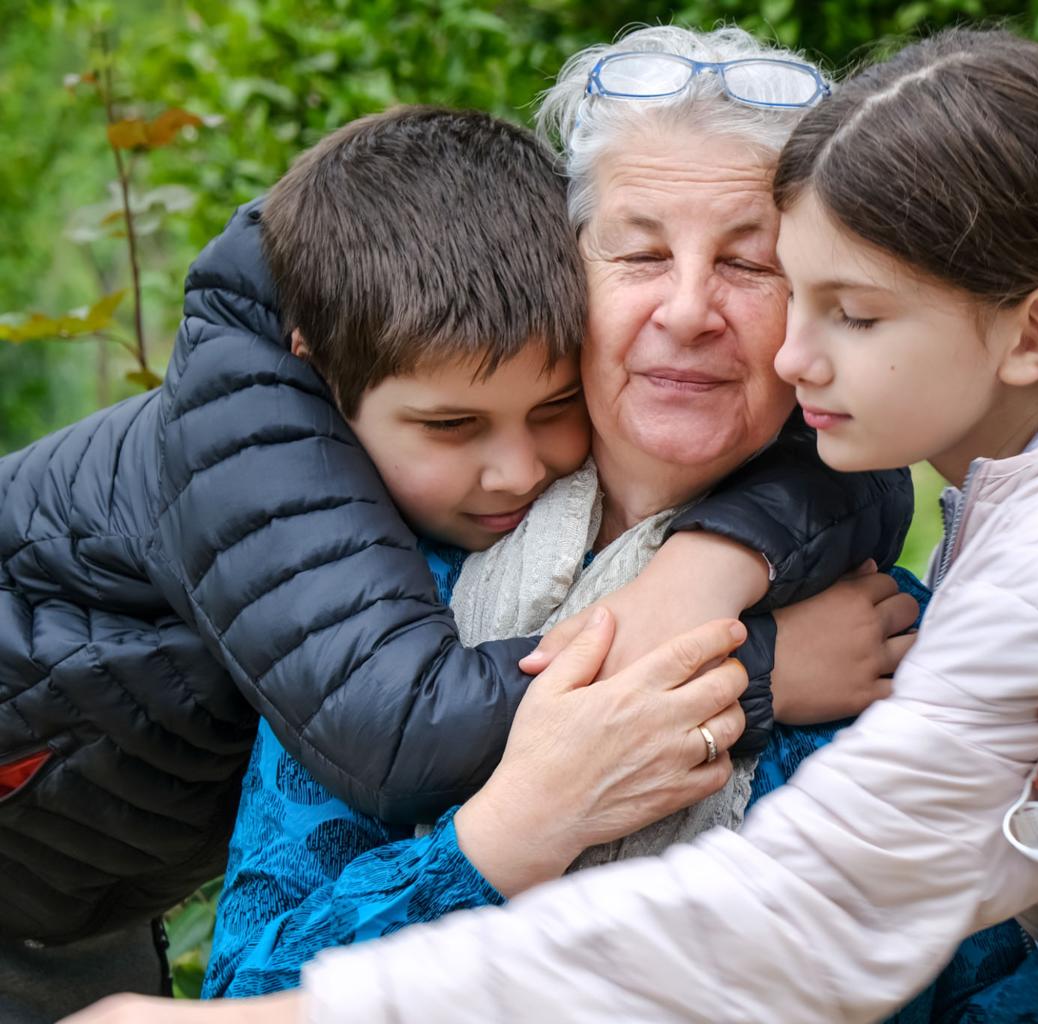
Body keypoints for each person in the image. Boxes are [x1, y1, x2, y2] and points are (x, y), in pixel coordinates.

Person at [81, 26, 1038, 1024]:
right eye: (641, 252)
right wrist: (514, 830)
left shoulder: (916, 642)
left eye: (752, 263)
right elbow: (254, 987)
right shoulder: (410, 587)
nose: (690, 311)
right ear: (565, 280)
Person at [0, 98, 913, 1022]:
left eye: (751, 265)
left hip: (98, 858)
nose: (514, 468)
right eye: (639, 253)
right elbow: (397, 730)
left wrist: (707, 566)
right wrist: (755, 671)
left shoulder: (426, 421)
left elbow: (870, 458)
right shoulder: (274, 455)